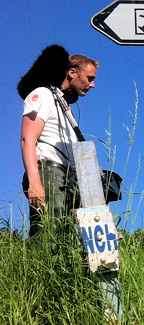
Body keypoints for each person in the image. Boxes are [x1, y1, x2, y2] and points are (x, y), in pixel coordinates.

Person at [19, 45, 99, 240]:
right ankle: (36, 270)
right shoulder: (43, 95)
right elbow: (27, 138)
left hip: (66, 177)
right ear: (72, 73)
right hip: (48, 172)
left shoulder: (65, 107)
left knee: (64, 241)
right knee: (47, 235)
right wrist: (35, 181)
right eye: (90, 78)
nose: (93, 85)